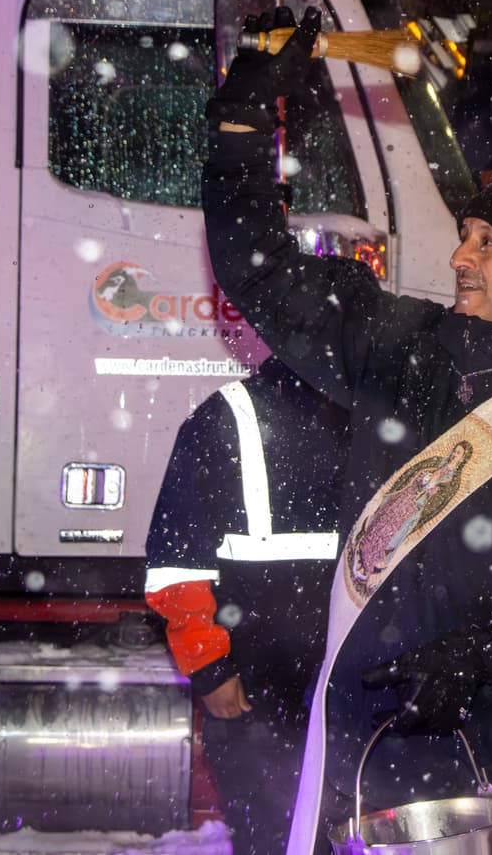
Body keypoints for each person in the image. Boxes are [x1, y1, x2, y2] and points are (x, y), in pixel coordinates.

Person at [201, 8, 492, 855]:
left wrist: (490, 651)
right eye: (464, 234)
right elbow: (257, 268)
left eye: (487, 243)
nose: (461, 255)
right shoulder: (400, 350)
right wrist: (243, 121)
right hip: (367, 748)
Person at [145, 353, 350, 855]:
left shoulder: (375, 411)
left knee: (343, 834)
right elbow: (179, 560)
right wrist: (210, 666)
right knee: (274, 836)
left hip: (347, 683)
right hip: (261, 687)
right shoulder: (224, 415)